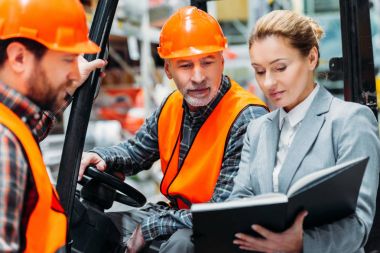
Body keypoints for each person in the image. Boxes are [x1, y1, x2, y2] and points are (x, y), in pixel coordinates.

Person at [78, 6, 268, 253]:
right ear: (168, 69)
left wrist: (151, 227)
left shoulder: (246, 117)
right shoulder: (172, 105)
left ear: (222, 61)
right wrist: (102, 157)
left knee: (182, 243)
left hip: (221, 229)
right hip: (177, 215)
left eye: (207, 62)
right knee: (92, 225)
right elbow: (136, 152)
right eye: (185, 66)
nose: (198, 76)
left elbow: (222, 213)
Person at [230, 10, 380, 253]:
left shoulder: (349, 121)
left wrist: (301, 244)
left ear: (311, 58)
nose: (268, 82)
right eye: (259, 71)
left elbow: (358, 225)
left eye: (280, 68)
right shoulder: (257, 130)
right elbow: (239, 201)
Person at [0, 0, 106, 252]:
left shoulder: (12, 125)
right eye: (67, 60)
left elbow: (27, 129)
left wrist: (65, 88)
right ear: (19, 58)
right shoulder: (4, 146)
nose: (74, 72)